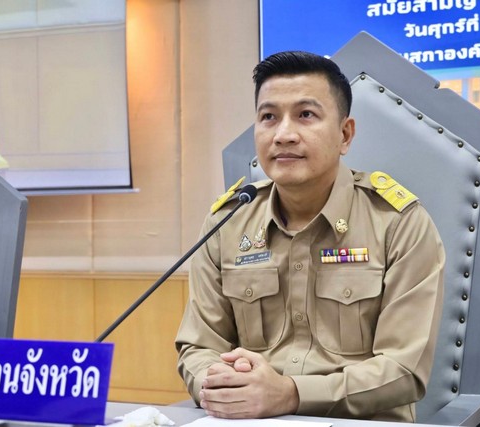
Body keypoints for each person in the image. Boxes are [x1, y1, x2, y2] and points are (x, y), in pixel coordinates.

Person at [176, 51, 445, 422]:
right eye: (269, 117)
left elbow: (403, 370)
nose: (283, 135)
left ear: (345, 135)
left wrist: (290, 394)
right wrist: (223, 386)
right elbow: (199, 346)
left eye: (305, 115)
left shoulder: (398, 224)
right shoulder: (227, 223)